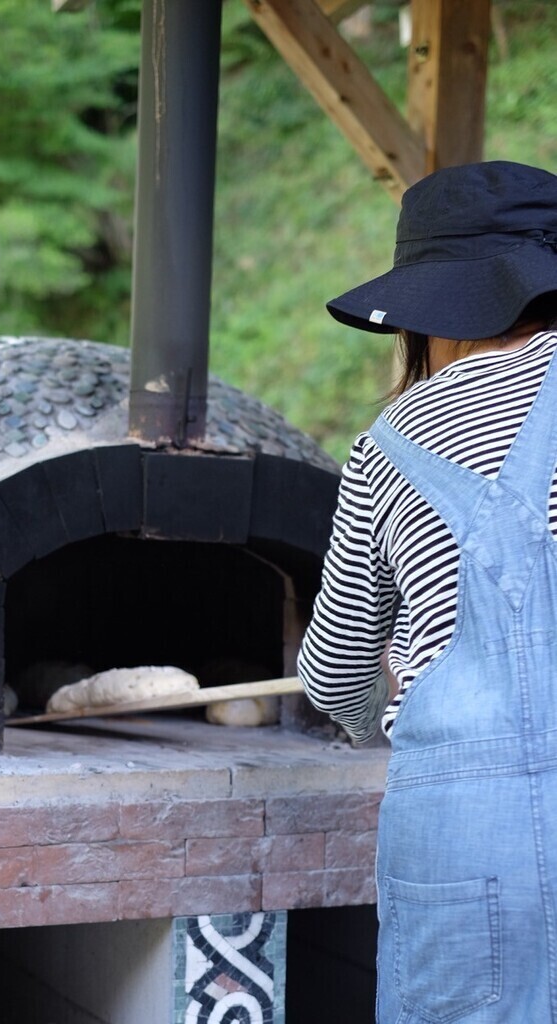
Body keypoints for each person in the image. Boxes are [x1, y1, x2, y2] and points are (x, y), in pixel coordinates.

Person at [297, 160, 557, 1022]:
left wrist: (389, 714)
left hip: (461, 830)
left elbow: (334, 672)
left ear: (428, 309)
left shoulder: (391, 442)